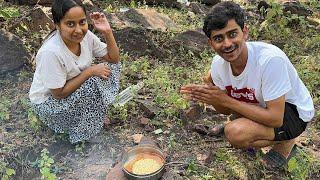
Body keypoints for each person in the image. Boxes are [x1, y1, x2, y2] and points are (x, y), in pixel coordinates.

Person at [180, 1, 314, 169]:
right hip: (260, 105)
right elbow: (225, 110)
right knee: (236, 126)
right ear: (211, 43)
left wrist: (226, 100)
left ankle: (286, 142)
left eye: (232, 34)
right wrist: (212, 96)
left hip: (291, 112)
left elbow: (275, 118)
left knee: (235, 133)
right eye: (219, 38)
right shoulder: (218, 65)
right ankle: (253, 128)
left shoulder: (270, 60)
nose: (227, 44)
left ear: (245, 32)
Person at [29, 0, 120, 144]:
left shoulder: (86, 37)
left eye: (82, 22)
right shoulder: (51, 52)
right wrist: (89, 71)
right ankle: (82, 133)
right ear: (57, 25)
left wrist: (107, 32)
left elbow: (113, 59)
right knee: (93, 82)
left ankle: (94, 115)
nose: (78, 30)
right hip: (49, 105)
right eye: (70, 24)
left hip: (69, 91)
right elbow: (58, 94)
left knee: (109, 69)